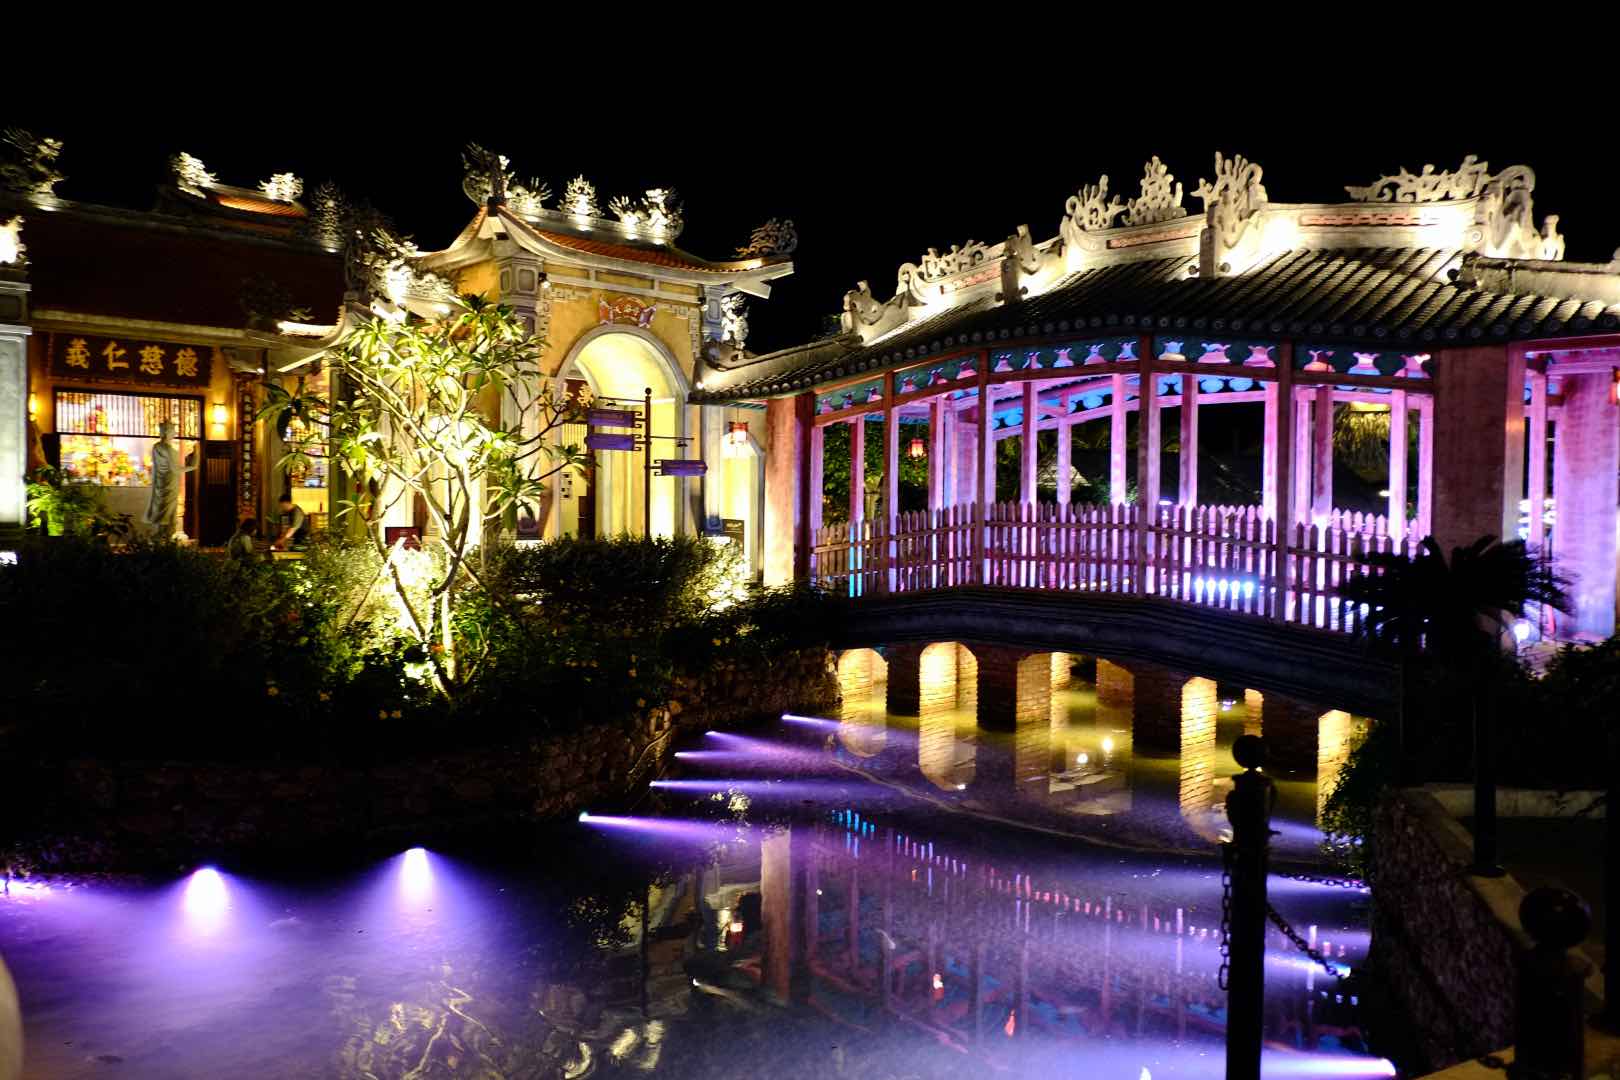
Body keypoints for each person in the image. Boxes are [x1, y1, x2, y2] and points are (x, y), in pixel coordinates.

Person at [142, 419, 196, 539]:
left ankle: (161, 537)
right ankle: (165, 539)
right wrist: (191, 467)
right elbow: (175, 469)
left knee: (162, 514)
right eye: (173, 431)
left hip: (161, 484)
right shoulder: (168, 449)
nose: (175, 433)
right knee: (169, 515)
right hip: (169, 485)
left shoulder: (156, 447)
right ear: (167, 432)